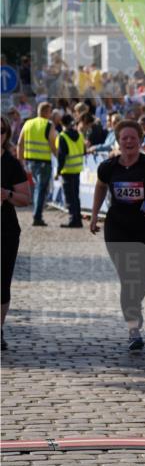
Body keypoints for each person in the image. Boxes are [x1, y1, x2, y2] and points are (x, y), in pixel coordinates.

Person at [90, 120, 145, 350]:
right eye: (124, 138)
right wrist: (93, 215)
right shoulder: (108, 167)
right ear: (118, 141)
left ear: (140, 140)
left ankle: (134, 309)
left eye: (132, 138)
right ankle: (134, 329)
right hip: (117, 227)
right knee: (128, 278)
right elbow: (100, 187)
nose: (128, 142)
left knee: (140, 279)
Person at [1, 115, 32, 350]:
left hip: (6, 230)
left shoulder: (11, 164)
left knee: (2, 283)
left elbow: (25, 198)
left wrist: (7, 194)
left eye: (1, 131)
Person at [17, 101, 58, 226]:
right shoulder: (48, 124)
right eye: (50, 111)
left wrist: (20, 161)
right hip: (43, 163)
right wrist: (59, 159)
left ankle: (37, 215)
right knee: (40, 189)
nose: (51, 114)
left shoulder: (28, 123)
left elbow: (20, 143)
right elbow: (53, 144)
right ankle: (37, 216)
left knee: (37, 189)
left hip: (30, 162)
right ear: (46, 112)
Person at [55, 113, 85, 228]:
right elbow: (84, 150)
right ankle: (78, 219)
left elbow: (61, 156)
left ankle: (73, 220)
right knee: (75, 196)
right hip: (77, 169)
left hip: (67, 170)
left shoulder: (62, 136)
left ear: (62, 123)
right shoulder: (79, 134)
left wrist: (58, 171)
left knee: (69, 197)